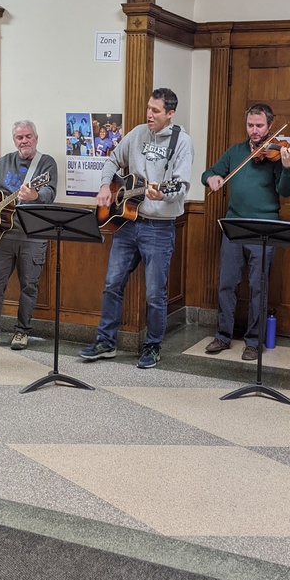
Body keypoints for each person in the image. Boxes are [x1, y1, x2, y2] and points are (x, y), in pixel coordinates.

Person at [79, 88, 194, 369]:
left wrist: (163, 194)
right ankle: (105, 343)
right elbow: (112, 160)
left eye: (155, 111)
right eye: (148, 108)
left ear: (170, 114)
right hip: (127, 223)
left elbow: (181, 185)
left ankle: (153, 347)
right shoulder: (137, 133)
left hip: (159, 227)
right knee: (112, 283)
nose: (149, 114)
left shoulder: (181, 142)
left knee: (155, 292)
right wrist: (106, 185)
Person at [201, 103, 290, 361]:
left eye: (260, 126)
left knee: (258, 287)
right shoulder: (236, 152)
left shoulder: (279, 152)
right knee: (227, 283)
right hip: (234, 225)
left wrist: (288, 168)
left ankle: (254, 342)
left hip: (265, 226)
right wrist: (211, 178)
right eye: (250, 125)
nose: (255, 131)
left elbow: (286, 191)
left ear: (270, 126)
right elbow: (209, 172)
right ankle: (223, 335)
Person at [0, 120, 58, 351]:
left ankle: (22, 332)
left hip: (33, 236)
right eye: (20, 137)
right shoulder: (3, 162)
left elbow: (50, 193)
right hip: (1, 236)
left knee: (29, 286)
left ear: (36, 139)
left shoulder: (46, 163)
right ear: (14, 141)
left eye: (28, 136)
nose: (24, 140)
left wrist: (35, 195)